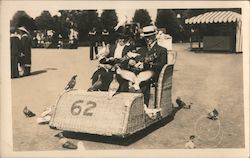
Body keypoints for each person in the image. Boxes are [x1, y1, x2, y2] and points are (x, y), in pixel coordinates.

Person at [118, 25, 168, 107]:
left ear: (155, 36)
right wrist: (131, 62)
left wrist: (145, 65)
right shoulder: (142, 50)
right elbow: (135, 59)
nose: (148, 39)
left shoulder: (162, 50)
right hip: (138, 74)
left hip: (153, 75)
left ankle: (142, 107)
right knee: (124, 80)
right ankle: (127, 106)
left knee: (143, 83)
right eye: (146, 37)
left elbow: (162, 65)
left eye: (150, 37)